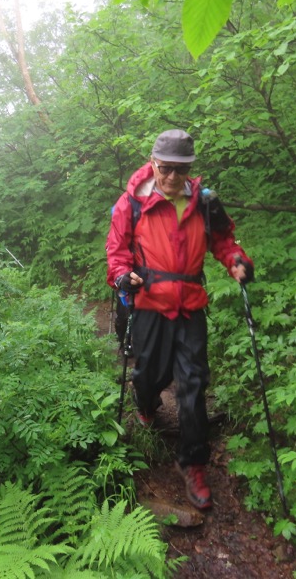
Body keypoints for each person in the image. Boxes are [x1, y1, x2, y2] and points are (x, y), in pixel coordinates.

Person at [106, 129, 253, 510]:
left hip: (190, 305)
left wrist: (236, 261)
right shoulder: (131, 204)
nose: (171, 177)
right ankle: (148, 404)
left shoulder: (204, 203)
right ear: (153, 163)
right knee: (149, 374)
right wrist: (122, 275)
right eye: (165, 168)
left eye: (180, 169)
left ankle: (193, 462)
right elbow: (117, 251)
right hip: (149, 303)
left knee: (193, 384)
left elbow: (223, 241)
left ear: (191, 168)